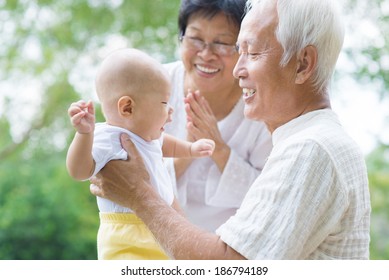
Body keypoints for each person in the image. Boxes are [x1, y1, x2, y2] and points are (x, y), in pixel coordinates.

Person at [90, 0, 371, 260]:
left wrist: (139, 194)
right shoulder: (306, 139)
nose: (237, 70)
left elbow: (231, 264)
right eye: (240, 51)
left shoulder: (311, 148)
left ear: (302, 64)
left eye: (251, 52)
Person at [66, 48, 215, 260]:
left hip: (160, 225)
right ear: (127, 108)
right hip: (127, 234)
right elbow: (79, 171)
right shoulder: (107, 137)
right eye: (164, 103)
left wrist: (190, 149)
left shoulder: (148, 136)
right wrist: (83, 134)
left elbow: (166, 146)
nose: (170, 110)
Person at [163, 0, 273, 232]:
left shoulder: (263, 107)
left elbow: (270, 199)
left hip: (228, 248)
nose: (206, 54)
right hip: (152, 240)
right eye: (195, 39)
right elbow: (128, 177)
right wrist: (186, 153)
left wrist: (220, 151)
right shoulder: (155, 84)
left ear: (244, 48)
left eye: (222, 43)